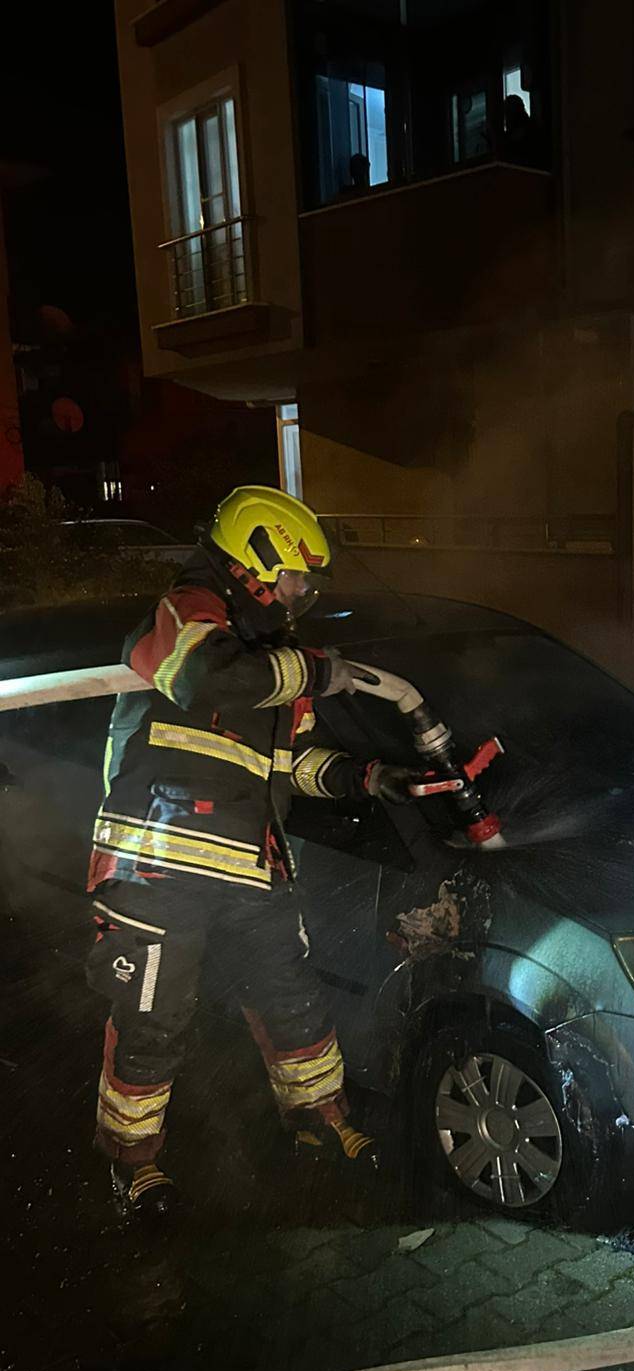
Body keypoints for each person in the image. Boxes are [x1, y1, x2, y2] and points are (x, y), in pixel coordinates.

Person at [87, 486, 413, 1220]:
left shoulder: (271, 658)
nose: (300, 597)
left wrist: (365, 777)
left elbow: (286, 765)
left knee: (294, 1000)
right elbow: (207, 674)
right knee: (155, 1019)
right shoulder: (186, 610)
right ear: (255, 559)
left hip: (249, 866)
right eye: (296, 579)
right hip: (156, 863)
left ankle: (321, 1121)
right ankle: (132, 1165)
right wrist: (314, 672)